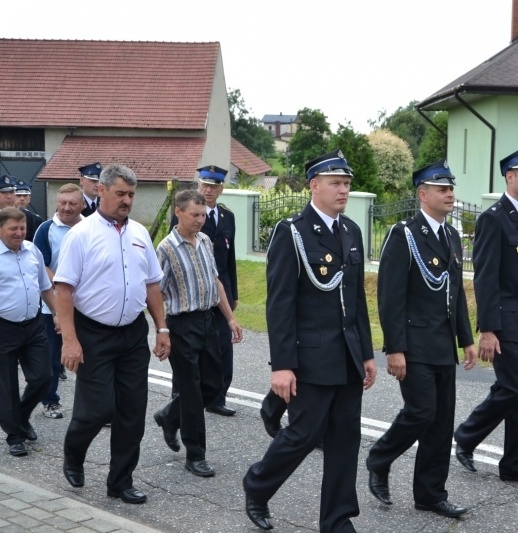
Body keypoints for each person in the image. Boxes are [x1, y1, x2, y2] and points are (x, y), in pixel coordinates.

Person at [243, 149, 377, 532]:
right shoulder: (293, 232)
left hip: (348, 355)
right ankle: (257, 485)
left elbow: (356, 300)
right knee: (303, 435)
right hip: (312, 356)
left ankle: (337, 520)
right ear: (314, 186)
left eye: (347, 184)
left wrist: (367, 354)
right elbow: (280, 304)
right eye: (336, 183)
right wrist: (282, 365)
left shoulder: (350, 231)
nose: (343, 191)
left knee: (345, 439)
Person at [366, 160, 477, 518]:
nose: (450, 195)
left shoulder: (451, 236)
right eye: (442, 189)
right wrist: (394, 348)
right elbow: (390, 295)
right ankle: (379, 457)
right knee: (421, 412)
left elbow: (456, 292)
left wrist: (466, 338)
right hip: (413, 344)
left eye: (451, 189)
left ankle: (430, 493)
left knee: (442, 421)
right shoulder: (405, 234)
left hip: (443, 344)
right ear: (423, 194)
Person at [55, 164, 170, 504]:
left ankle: (120, 482)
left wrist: (162, 328)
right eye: (120, 193)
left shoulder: (138, 233)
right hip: (93, 333)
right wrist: (70, 340)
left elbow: (151, 284)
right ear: (101, 191)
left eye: (131, 195)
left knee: (133, 412)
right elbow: (63, 290)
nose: (127, 200)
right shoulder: (82, 234)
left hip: (132, 333)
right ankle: (74, 452)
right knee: (97, 410)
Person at [454, 145, 518, 487]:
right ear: (509, 177)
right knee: (514, 387)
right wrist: (488, 329)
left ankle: (515, 465)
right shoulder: (493, 219)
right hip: (505, 322)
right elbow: (485, 277)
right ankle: (466, 437)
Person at [153, 189, 243, 478]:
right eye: (194, 215)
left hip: (207, 321)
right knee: (191, 391)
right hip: (181, 325)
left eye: (203, 215)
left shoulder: (205, 240)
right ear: (178, 212)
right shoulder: (166, 248)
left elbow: (215, 280)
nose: (200, 220)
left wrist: (230, 318)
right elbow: (153, 290)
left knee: (213, 385)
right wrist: (161, 329)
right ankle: (196, 455)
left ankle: (169, 415)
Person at [171, 165, 239, 417]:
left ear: (221, 189)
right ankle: (178, 398)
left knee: (222, 347)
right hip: (193, 294)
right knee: (188, 353)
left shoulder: (227, 216)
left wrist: (234, 294)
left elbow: (229, 259)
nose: (208, 190)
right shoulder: (186, 215)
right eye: (204, 185)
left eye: (213, 186)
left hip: (220, 292)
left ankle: (217, 397)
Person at [0, 207, 57, 457]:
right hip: (4, 328)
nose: (19, 233)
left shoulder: (31, 250)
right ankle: (14, 435)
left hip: (33, 325)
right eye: (13, 228)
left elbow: (45, 287)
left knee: (43, 377)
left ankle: (21, 417)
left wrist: (57, 315)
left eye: (22, 228)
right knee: (7, 386)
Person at [33, 183, 84, 420]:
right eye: (62, 203)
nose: (66, 208)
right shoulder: (45, 229)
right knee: (53, 357)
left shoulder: (90, 228)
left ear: (82, 204)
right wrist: (63, 286)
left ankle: (91, 404)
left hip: (85, 306)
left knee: (90, 356)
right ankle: (50, 401)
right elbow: (41, 266)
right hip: (53, 304)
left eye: (72, 203)